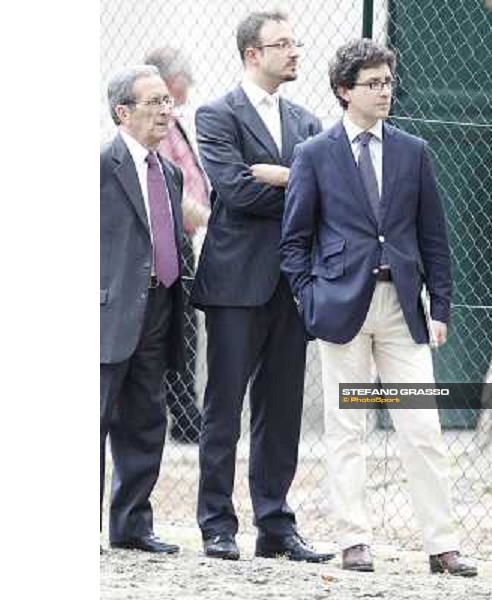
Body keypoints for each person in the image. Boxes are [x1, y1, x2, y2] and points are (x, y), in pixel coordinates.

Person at [280, 39, 477, 576]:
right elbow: (294, 240)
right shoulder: (315, 154)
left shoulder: (414, 150)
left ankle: (442, 545)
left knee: (422, 427)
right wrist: (309, 298)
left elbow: (435, 235)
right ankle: (354, 541)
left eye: (388, 81)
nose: (385, 91)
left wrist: (441, 306)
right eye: (373, 83)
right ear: (345, 91)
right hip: (341, 310)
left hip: (401, 311)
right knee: (347, 428)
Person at [190, 11, 332, 563]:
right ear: (253, 54)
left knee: (282, 410)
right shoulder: (215, 114)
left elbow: (326, 193)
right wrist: (300, 180)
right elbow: (234, 190)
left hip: (292, 284)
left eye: (295, 42)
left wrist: (276, 175)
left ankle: (275, 524)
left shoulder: (306, 119)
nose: (295, 52)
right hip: (233, 284)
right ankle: (217, 525)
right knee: (223, 409)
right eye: (283, 44)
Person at [100, 65, 185, 554]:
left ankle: (132, 526)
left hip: (158, 307)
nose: (165, 111)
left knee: (146, 421)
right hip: (108, 313)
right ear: (123, 112)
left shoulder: (167, 170)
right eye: (153, 102)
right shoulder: (98, 166)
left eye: (167, 102)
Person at [144, 47, 211, 444]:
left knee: (187, 326)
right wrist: (210, 219)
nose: (189, 88)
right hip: (167, 238)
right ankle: (183, 416)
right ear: (172, 81)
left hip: (183, 237)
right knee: (177, 328)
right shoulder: (155, 128)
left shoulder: (174, 123)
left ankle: (187, 414)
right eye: (186, 80)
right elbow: (169, 190)